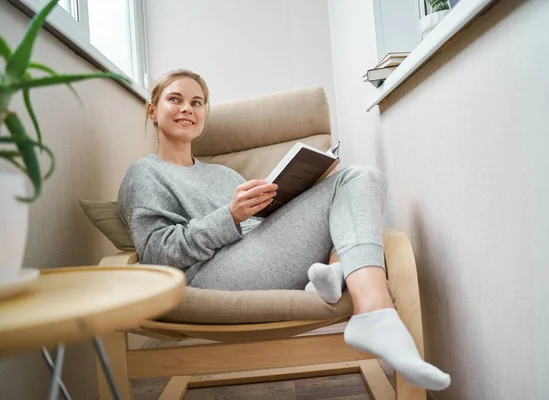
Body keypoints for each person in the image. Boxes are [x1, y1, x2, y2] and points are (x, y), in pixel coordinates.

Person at [118, 69, 451, 391]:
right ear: (153, 111)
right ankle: (375, 312)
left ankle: (336, 272)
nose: (187, 109)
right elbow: (157, 254)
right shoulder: (145, 174)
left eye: (197, 102)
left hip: (258, 255)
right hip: (208, 277)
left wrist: (283, 202)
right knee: (358, 178)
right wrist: (229, 216)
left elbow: (258, 229)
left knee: (361, 179)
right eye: (175, 100)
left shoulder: (222, 174)